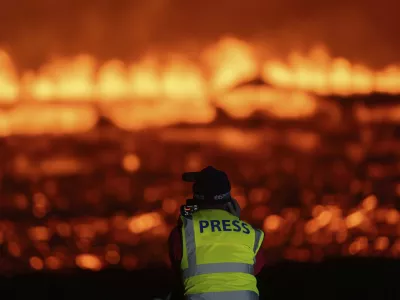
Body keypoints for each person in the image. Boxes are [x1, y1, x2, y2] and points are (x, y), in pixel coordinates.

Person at [167, 166, 266, 300]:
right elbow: (252, 270)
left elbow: (179, 276)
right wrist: (235, 221)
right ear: (231, 203)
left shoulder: (183, 232)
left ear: (195, 199)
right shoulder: (250, 234)